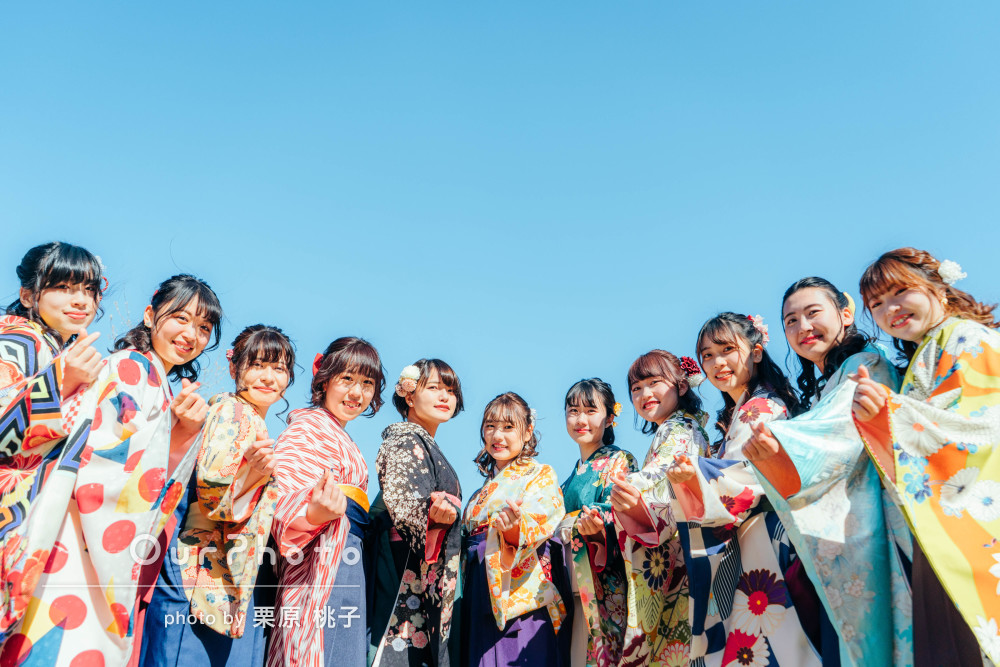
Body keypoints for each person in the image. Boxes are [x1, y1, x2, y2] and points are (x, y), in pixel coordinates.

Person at [2, 273, 221, 665]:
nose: (192, 334)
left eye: (204, 327)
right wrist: (180, 436)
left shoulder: (160, 383)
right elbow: (103, 459)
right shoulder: (130, 367)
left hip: (105, 540)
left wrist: (180, 434)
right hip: (82, 538)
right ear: (151, 315)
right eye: (181, 318)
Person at [742, 277, 912, 667]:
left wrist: (779, 443)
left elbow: (835, 436)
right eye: (791, 321)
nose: (803, 327)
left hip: (879, 527)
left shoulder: (866, 363)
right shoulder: (831, 379)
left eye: (813, 313)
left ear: (846, 313)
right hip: (848, 534)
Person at [852, 248, 1000, 666]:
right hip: (941, 523)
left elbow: (982, 429)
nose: (890, 309)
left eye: (900, 291)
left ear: (938, 286)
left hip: (972, 521)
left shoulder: (969, 339)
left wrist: (892, 413)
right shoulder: (930, 349)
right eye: (877, 304)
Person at [665, 313, 819, 667]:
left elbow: (747, 479)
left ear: (757, 352)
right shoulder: (743, 410)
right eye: (707, 355)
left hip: (765, 541)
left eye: (727, 350)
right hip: (749, 544)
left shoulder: (762, 408)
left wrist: (695, 476)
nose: (717, 363)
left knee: (772, 647)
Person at [140, 324, 295, 666]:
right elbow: (213, 495)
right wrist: (254, 475)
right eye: (257, 365)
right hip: (202, 560)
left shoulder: (251, 417)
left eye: (279, 369)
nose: (268, 377)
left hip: (220, 561)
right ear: (234, 367)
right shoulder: (232, 412)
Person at [268, 336, 384, 667]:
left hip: (348, 561)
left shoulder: (341, 437)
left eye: (367, 383)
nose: (356, 393)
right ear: (325, 377)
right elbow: (280, 503)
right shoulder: (306, 429)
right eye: (346, 379)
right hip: (319, 564)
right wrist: (315, 513)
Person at [610, 349, 708, 666]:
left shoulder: (680, 429)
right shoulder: (673, 427)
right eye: (636, 388)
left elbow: (660, 476)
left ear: (681, 386)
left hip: (681, 553)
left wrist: (628, 494)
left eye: (654, 382)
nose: (645, 394)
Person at [460, 392, 568, 667]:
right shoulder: (478, 494)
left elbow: (544, 517)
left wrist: (513, 529)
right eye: (490, 426)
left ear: (528, 431)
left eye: (508, 427)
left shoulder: (539, 474)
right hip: (478, 585)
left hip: (518, 588)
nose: (498, 435)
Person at [369, 359, 463, 667]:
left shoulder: (426, 443)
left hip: (425, 563)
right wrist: (435, 517)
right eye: (434, 388)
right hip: (406, 565)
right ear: (409, 396)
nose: (444, 396)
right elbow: (406, 507)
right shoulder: (404, 438)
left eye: (450, 390)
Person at [556, 378, 637, 667]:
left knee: (602, 655)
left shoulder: (619, 461)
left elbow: (622, 512)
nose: (580, 419)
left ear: (610, 417)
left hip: (604, 578)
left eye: (591, 410)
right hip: (571, 582)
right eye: (573, 410)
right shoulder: (565, 481)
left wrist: (594, 524)